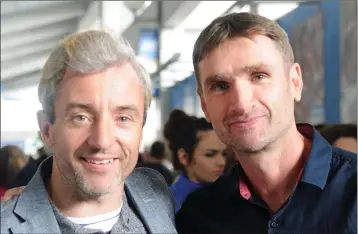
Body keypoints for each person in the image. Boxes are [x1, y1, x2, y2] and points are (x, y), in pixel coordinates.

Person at [175, 12, 357, 234]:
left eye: (259, 76)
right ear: (204, 104)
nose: (241, 104)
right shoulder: (199, 217)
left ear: (295, 82)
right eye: (220, 86)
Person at [1, 30, 177, 234]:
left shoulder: (157, 193)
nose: (102, 141)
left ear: (141, 129)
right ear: (47, 129)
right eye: (81, 117)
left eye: (123, 118)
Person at [164, 109, 227, 210]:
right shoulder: (169, 206)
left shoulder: (229, 194)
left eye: (224, 154)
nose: (222, 162)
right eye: (210, 155)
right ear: (184, 157)